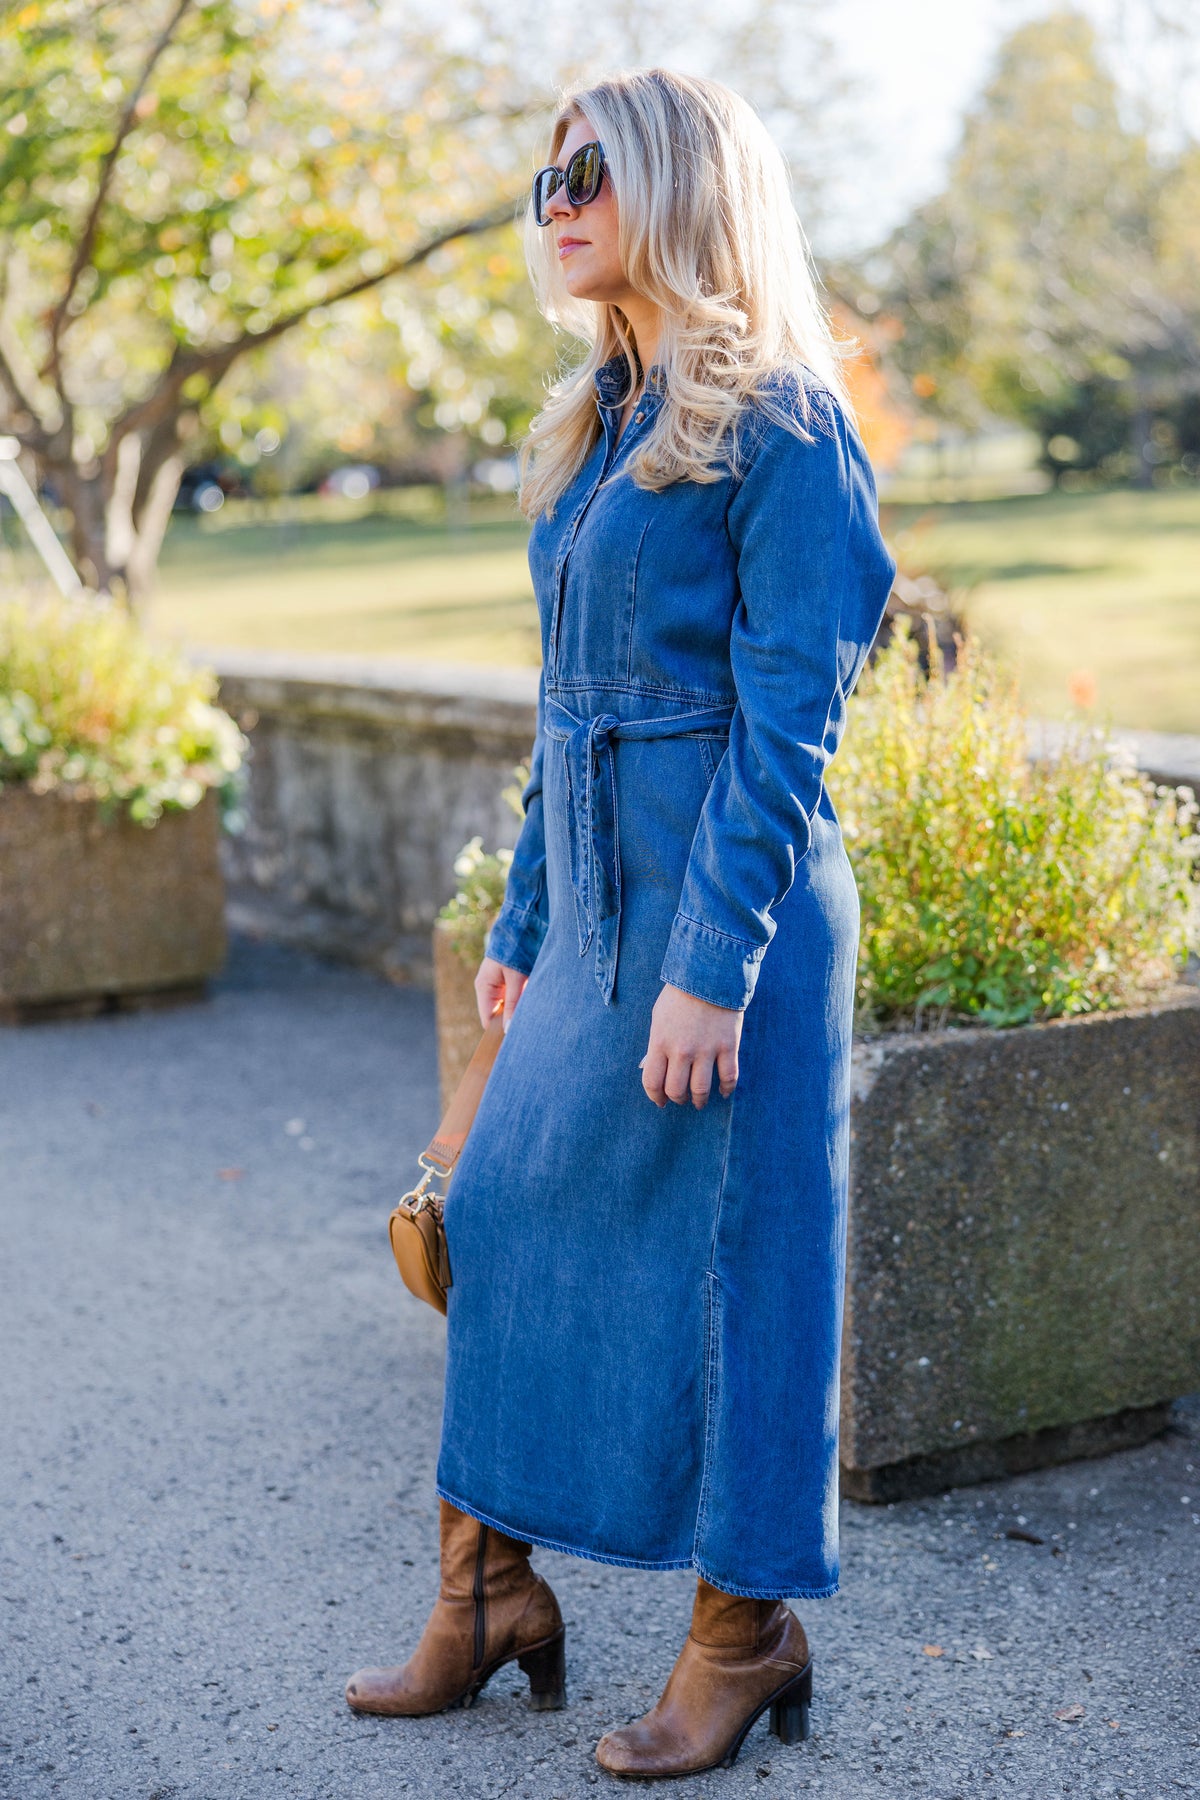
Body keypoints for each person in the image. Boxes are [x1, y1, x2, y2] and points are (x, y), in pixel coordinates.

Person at [345, 66, 895, 1779]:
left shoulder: (790, 427)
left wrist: (709, 969)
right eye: (544, 175)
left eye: (589, 167)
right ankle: (490, 1593)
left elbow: (792, 716)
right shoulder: (595, 422)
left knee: (742, 1271)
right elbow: (565, 709)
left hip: (730, 921)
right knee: (498, 1218)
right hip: (592, 911)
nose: (556, 197)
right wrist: (523, 913)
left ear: (676, 181)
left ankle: (744, 1637)